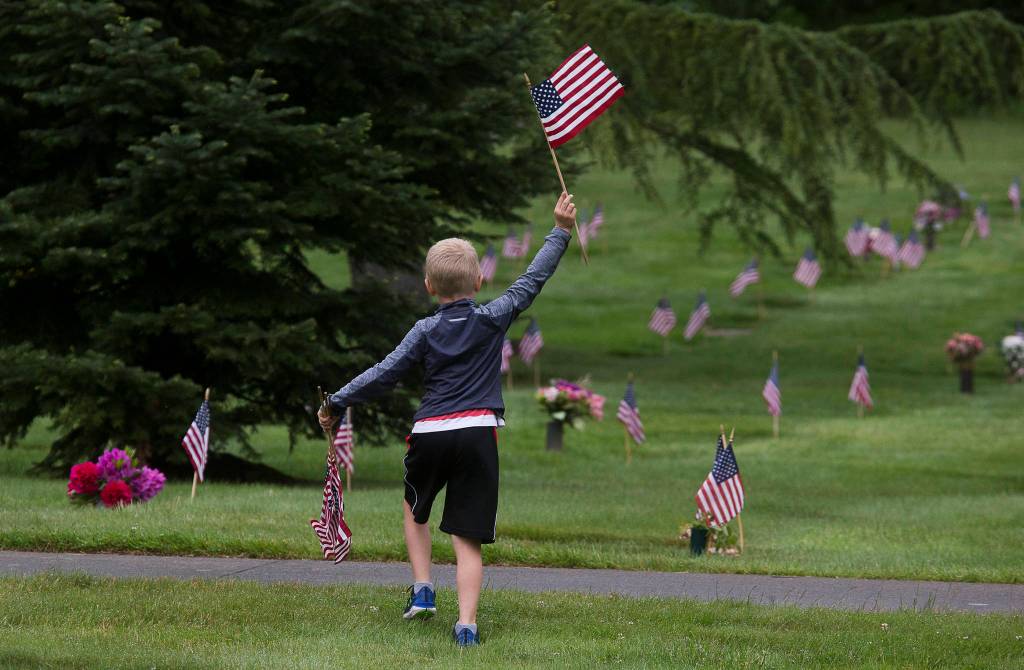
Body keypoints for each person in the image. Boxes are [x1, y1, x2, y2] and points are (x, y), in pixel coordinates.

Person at [318, 192, 577, 647]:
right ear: (479, 281)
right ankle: (467, 626)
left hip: (431, 433)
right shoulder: (493, 316)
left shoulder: (424, 330)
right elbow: (532, 279)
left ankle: (422, 589)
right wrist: (560, 230)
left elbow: (384, 374)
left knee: (414, 506)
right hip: (479, 434)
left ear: (428, 287)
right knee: (467, 534)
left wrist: (336, 401)